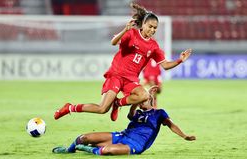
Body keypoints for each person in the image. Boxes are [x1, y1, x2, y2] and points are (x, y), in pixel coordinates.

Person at [54, 2, 192, 121]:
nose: (152, 30)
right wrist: (125, 29)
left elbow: (166, 65)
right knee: (102, 109)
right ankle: (70, 108)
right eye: (150, 26)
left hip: (131, 79)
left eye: (155, 28)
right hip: (116, 74)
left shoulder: (154, 46)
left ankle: (118, 103)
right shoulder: (131, 34)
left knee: (144, 95)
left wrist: (180, 60)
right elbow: (113, 42)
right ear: (143, 24)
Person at [52, 86, 196, 156]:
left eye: (144, 99)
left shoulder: (159, 113)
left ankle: (87, 149)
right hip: (122, 136)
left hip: (136, 145)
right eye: (140, 101)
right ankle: (69, 150)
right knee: (83, 138)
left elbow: (171, 125)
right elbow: (130, 115)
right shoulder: (137, 112)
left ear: (150, 99)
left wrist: (184, 136)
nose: (142, 102)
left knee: (107, 151)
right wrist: (135, 102)